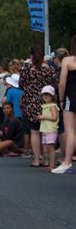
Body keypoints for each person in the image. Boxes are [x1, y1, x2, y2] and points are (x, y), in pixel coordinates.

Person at [19, 45, 58, 168]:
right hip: (46, 102)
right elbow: (54, 84)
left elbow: (21, 84)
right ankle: (47, 159)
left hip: (30, 102)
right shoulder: (49, 69)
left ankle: (37, 159)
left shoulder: (27, 69)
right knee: (45, 131)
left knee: (34, 132)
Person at [53, 36, 76, 174]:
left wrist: (61, 99)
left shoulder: (68, 60)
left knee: (70, 131)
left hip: (71, 97)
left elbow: (62, 83)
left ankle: (67, 162)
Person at [36, 85, 59, 170]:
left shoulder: (52, 106)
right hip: (46, 130)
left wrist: (43, 117)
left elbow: (54, 117)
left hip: (51, 130)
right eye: (44, 94)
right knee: (46, 149)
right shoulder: (45, 106)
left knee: (50, 148)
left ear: (52, 96)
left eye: (48, 94)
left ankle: (52, 165)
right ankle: (50, 163)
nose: (45, 96)